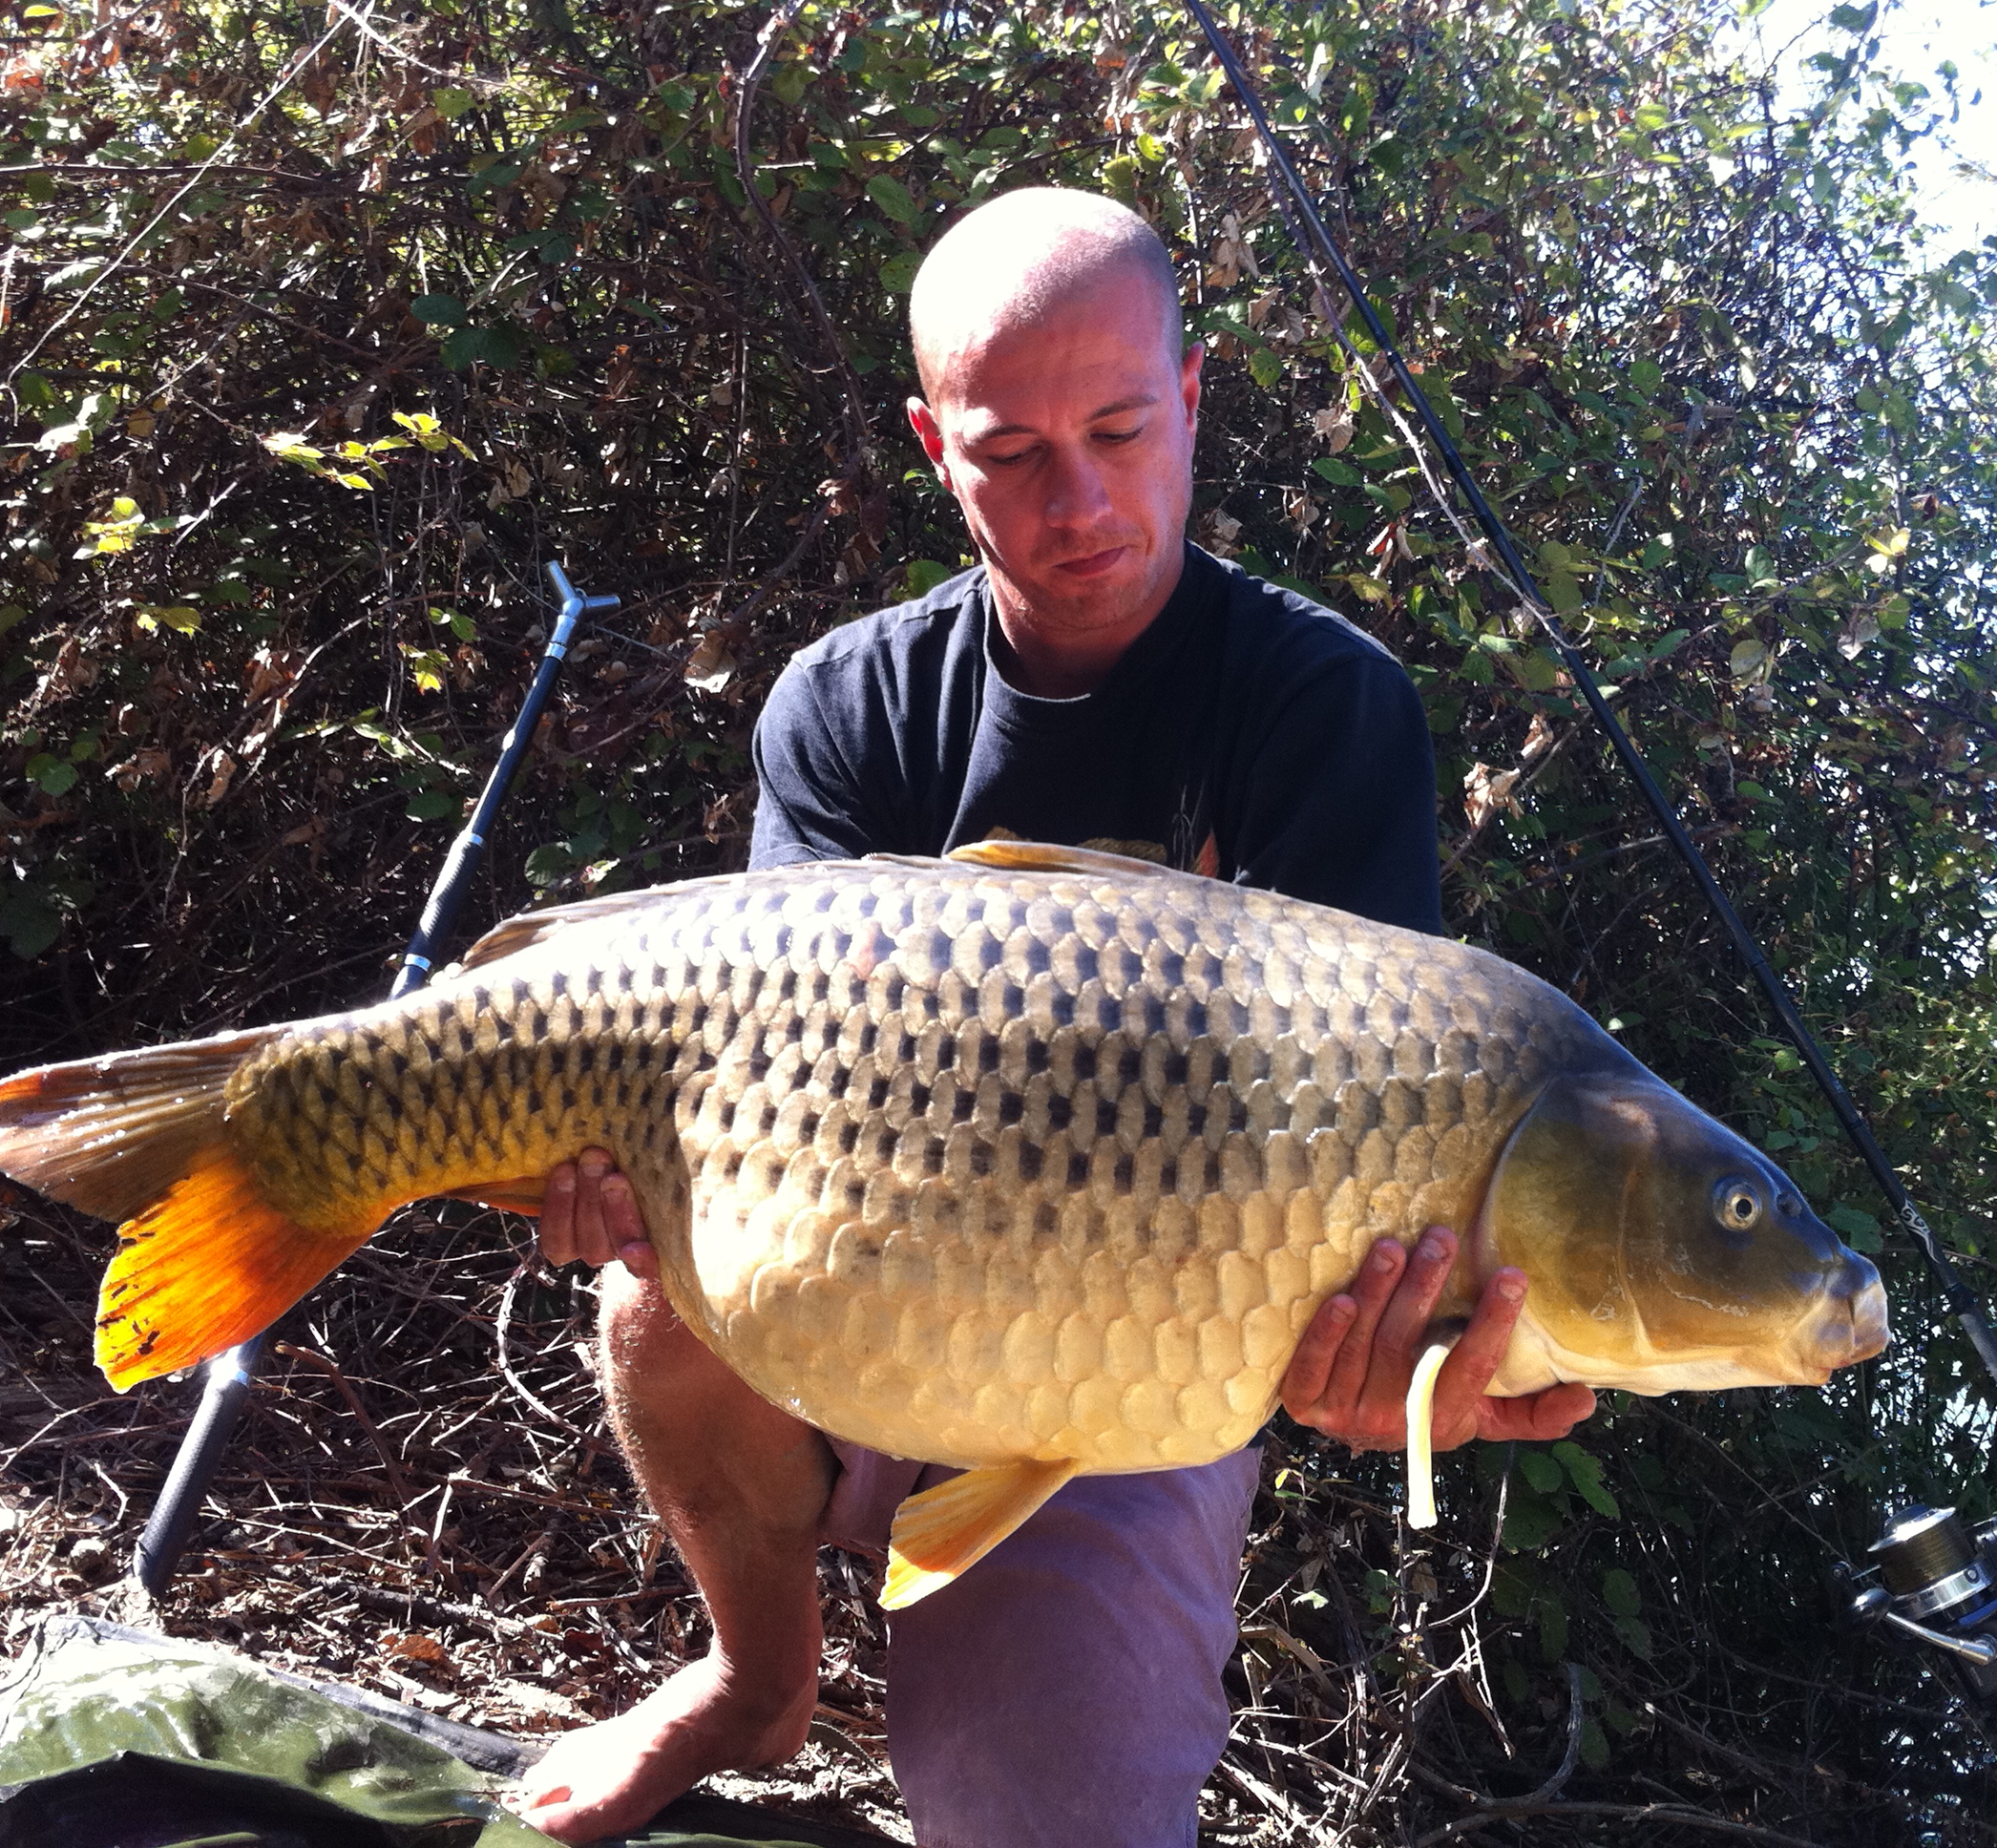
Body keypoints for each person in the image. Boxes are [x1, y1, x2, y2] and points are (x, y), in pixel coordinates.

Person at [512, 187, 1596, 1846]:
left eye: (1120, 431)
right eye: (1011, 452)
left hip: (1141, 1352)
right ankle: (755, 1679)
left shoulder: (1320, 707)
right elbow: (751, 1087)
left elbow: (1384, 1169)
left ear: (1194, 397)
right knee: (658, 1292)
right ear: (932, 448)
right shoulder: (847, 708)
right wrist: (642, 1176)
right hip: (867, 1272)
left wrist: (1390, 1358)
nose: (1078, 503)